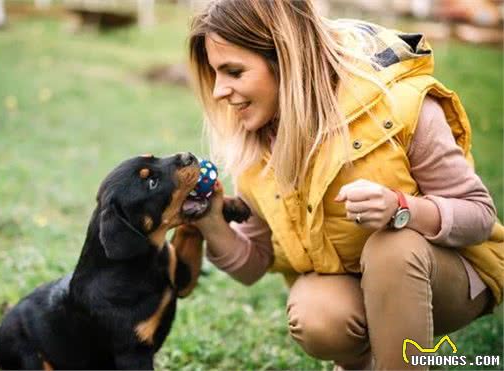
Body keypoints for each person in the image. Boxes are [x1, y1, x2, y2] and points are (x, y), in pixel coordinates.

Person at [186, 0, 503, 369]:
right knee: (318, 315)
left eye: (234, 72)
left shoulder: (396, 105)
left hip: (451, 275)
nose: (220, 91)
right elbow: (255, 261)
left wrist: (402, 208)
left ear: (285, 58)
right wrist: (210, 221)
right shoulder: (257, 144)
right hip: (355, 283)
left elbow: (479, 215)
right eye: (216, 75)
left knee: (392, 248)